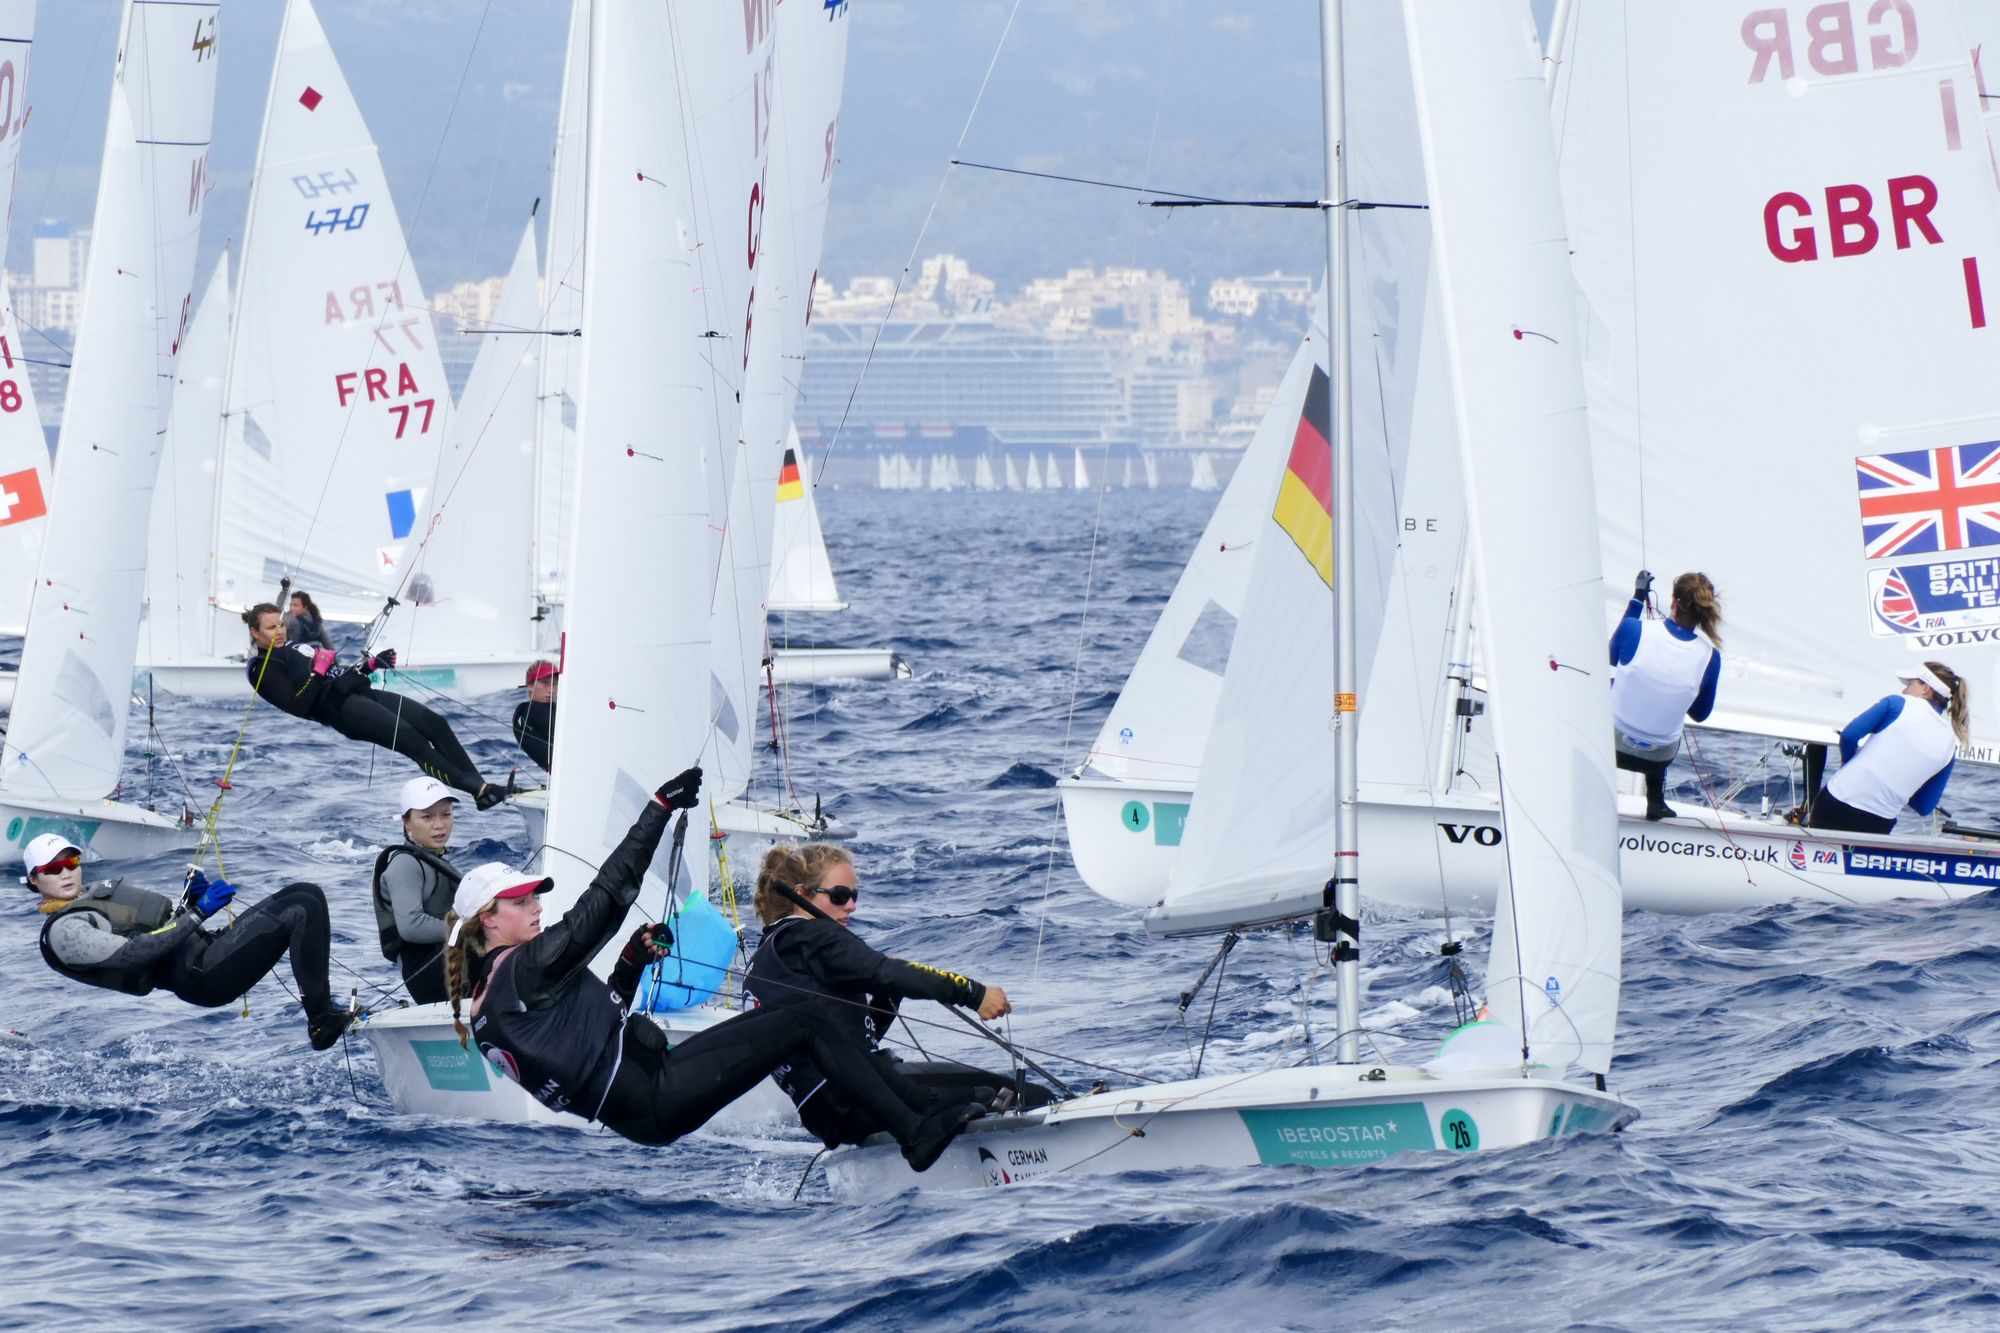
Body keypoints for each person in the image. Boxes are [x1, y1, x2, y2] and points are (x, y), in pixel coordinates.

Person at [444, 766, 982, 1169]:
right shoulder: (524, 970)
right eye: (520, 902)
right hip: (654, 1092)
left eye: (534, 897)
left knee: (794, 1023)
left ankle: (876, 1118)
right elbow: (606, 898)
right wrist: (657, 809)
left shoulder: (488, 1003)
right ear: (487, 920)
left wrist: (630, 963)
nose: (536, 907)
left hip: (640, 1104)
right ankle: (913, 1131)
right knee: (804, 1018)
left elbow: (591, 1034)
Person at [744, 843, 1054, 1150]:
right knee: (1026, 1095)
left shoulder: (763, 960)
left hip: (831, 1117)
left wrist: (886, 996)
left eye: (854, 896)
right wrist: (975, 994)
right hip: (869, 1096)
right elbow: (886, 972)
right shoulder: (812, 937)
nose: (851, 906)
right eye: (839, 896)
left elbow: (845, 1044)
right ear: (801, 895)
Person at [24, 833, 355, 1049]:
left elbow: (157, 931)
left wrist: (189, 903)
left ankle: (323, 1015)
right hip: (203, 976)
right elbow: (132, 954)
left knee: (306, 893)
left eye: (71, 863)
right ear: (34, 880)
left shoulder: (92, 900)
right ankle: (320, 1022)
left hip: (207, 950)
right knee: (301, 907)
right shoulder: (65, 930)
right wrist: (199, 911)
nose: (65, 873)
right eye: (53, 868)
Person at [240, 603, 506, 810]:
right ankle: (480, 790)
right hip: (342, 712)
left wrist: (370, 665)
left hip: (359, 694)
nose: (279, 632)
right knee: (414, 743)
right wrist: (317, 672)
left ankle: (483, 790)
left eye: (281, 625)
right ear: (254, 632)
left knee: (436, 723)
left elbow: (337, 677)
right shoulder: (261, 668)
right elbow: (298, 705)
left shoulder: (291, 647)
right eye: (271, 628)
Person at [1608, 569, 1723, 821]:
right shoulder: (1710, 657)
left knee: (1609, 683)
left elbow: (1611, 656)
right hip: (1658, 759)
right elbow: (1700, 714)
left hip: (1610, 747)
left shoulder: (1634, 628)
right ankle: (1655, 802)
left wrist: (1638, 597)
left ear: (1673, 601)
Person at [1809, 663, 1968, 835]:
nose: (1904, 690)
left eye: (1909, 684)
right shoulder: (1950, 745)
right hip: (1879, 822)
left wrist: (1849, 763)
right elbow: (1924, 806)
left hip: (1836, 803)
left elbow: (1849, 735)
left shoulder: (1897, 703)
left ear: (1925, 689)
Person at [372, 776, 463, 1004]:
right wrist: (471, 929)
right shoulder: (405, 864)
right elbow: (411, 926)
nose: (439, 825)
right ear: (407, 821)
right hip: (427, 972)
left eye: (446, 814)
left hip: (447, 962)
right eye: (427, 817)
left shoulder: (433, 859)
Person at [513, 661, 557, 772]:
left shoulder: (524, 712)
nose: (551, 690)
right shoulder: (534, 712)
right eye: (545, 683)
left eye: (555, 683)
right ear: (530, 686)